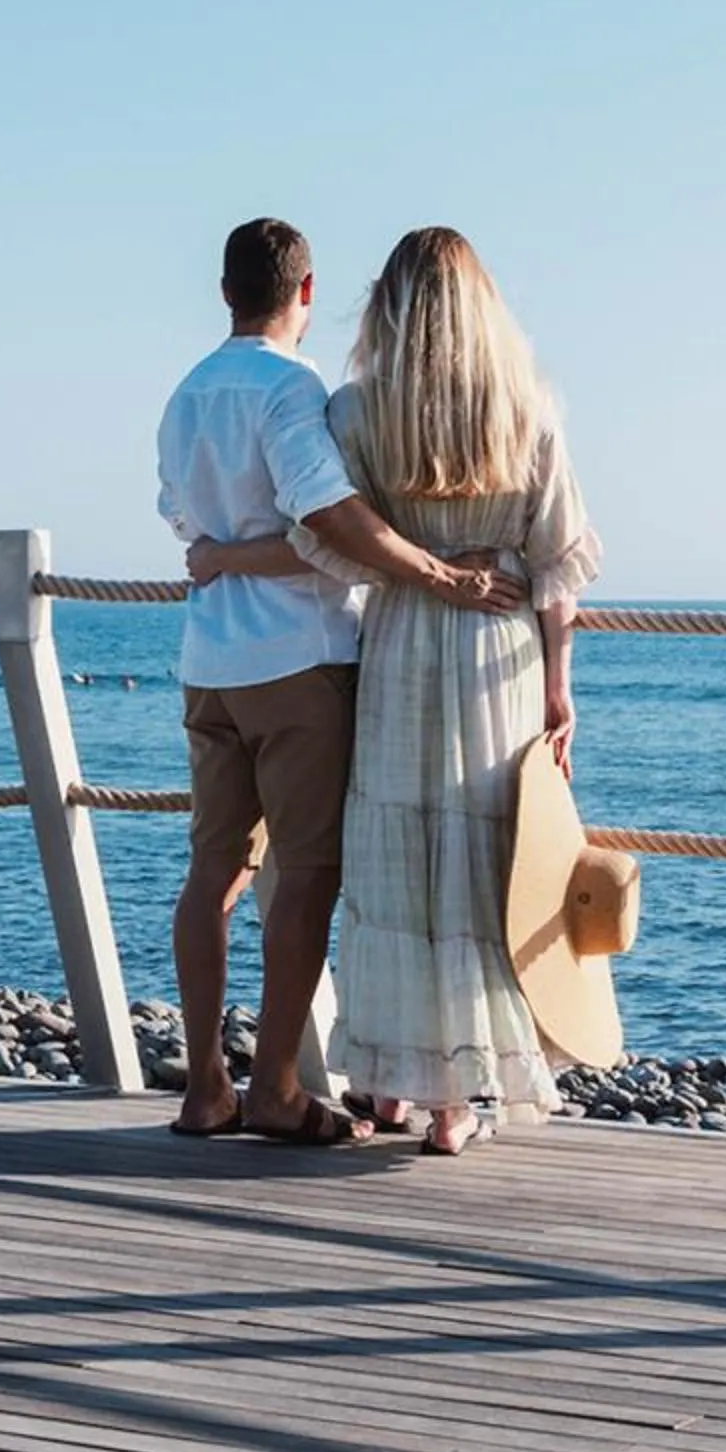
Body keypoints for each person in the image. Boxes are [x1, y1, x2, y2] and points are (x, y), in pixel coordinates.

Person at [191, 226, 599, 1154]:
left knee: (395, 865)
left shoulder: (358, 411)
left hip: (402, 638)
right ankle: (458, 1107)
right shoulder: (526, 410)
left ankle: (391, 1082)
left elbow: (325, 539)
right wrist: (559, 690)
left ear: (388, 307)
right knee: (479, 868)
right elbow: (557, 569)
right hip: (497, 649)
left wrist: (220, 556)